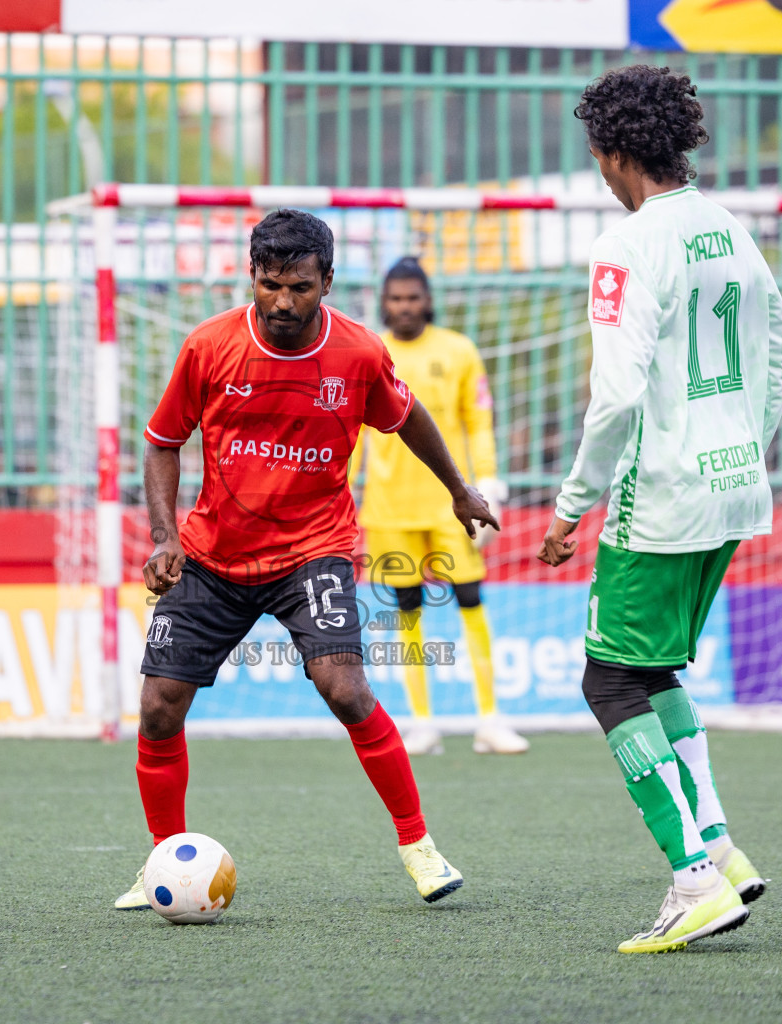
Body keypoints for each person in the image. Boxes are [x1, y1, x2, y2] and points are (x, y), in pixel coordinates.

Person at [116, 209, 499, 911]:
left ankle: (418, 846)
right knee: (157, 710)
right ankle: (162, 861)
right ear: (251, 277)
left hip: (311, 550)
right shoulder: (208, 347)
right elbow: (162, 440)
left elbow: (405, 416)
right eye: (269, 285)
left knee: (347, 689)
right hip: (212, 555)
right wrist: (164, 537)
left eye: (298, 286)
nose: (283, 302)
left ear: (327, 280)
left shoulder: (357, 352)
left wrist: (459, 489)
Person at [538, 65, 782, 954]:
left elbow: (614, 399)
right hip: (732, 488)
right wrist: (739, 449)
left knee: (606, 680)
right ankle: (720, 848)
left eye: (598, 158)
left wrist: (571, 508)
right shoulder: (732, 228)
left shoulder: (630, 244)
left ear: (614, 154)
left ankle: (692, 881)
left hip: (665, 495)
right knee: (652, 672)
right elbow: (778, 354)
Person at [354, 257, 528, 756]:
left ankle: (490, 718)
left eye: (412, 297)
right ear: (384, 302)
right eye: (396, 298)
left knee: (470, 599)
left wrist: (488, 482)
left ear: (427, 300)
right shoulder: (369, 352)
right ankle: (422, 721)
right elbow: (350, 433)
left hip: (452, 505)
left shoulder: (458, 351)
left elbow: (478, 421)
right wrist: (339, 491)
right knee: (406, 612)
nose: (404, 306)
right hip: (388, 507)